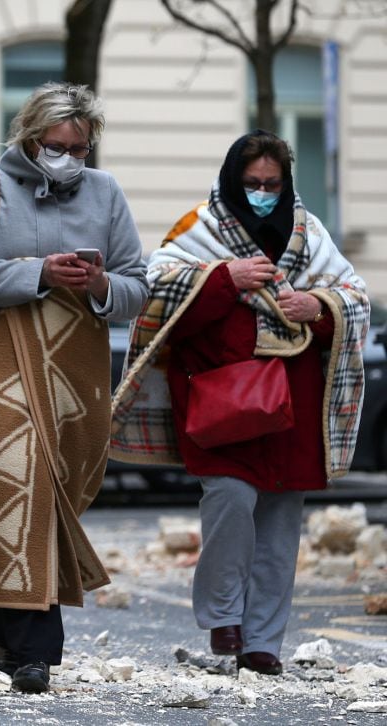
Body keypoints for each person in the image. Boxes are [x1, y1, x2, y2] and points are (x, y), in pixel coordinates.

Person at [111, 130, 370, 675]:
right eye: (251, 183)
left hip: (291, 409)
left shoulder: (309, 230)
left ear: (287, 182)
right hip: (218, 401)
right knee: (229, 503)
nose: (262, 192)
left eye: (272, 184)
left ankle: (262, 644)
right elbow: (156, 297)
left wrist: (316, 305)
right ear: (233, 179)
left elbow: (354, 296)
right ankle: (223, 616)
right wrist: (223, 279)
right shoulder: (196, 229)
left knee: (279, 527)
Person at [0, 82, 148, 693]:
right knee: (16, 481)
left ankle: (11, 633)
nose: (68, 156)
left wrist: (100, 283)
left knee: (52, 492)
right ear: (29, 139)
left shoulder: (106, 193)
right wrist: (39, 272)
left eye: (79, 147)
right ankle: (36, 653)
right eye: (56, 145)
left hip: (74, 369)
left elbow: (138, 286)